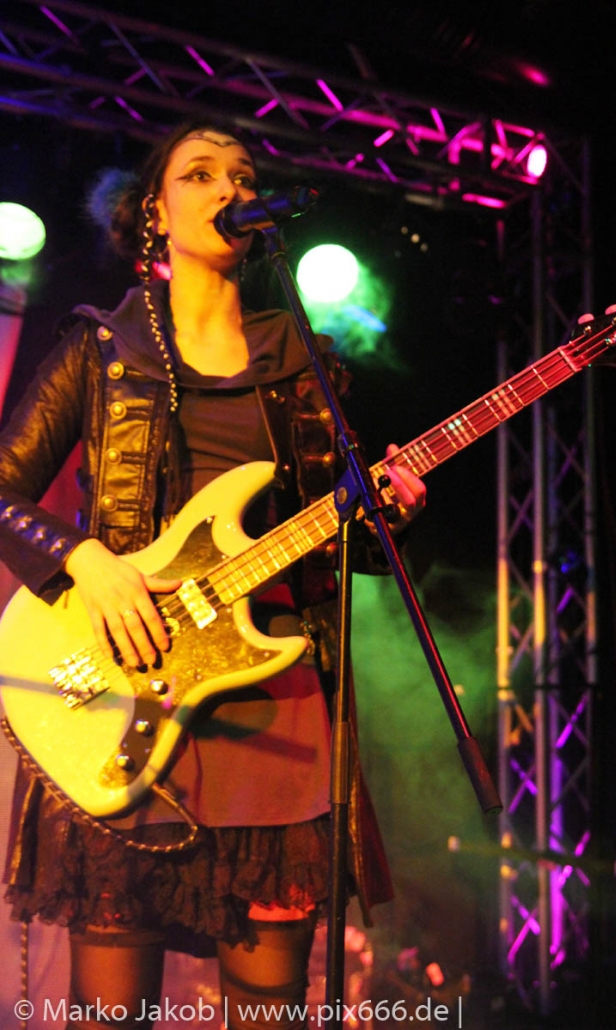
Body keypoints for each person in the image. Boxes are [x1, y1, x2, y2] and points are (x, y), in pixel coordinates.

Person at [0, 117, 426, 1030]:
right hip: (129, 676)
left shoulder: (302, 364)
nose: (230, 188)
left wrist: (388, 514)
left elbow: (338, 544)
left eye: (243, 175)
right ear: (153, 212)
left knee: (267, 1012)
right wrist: (84, 559)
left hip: (272, 702)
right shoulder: (102, 348)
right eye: (200, 173)